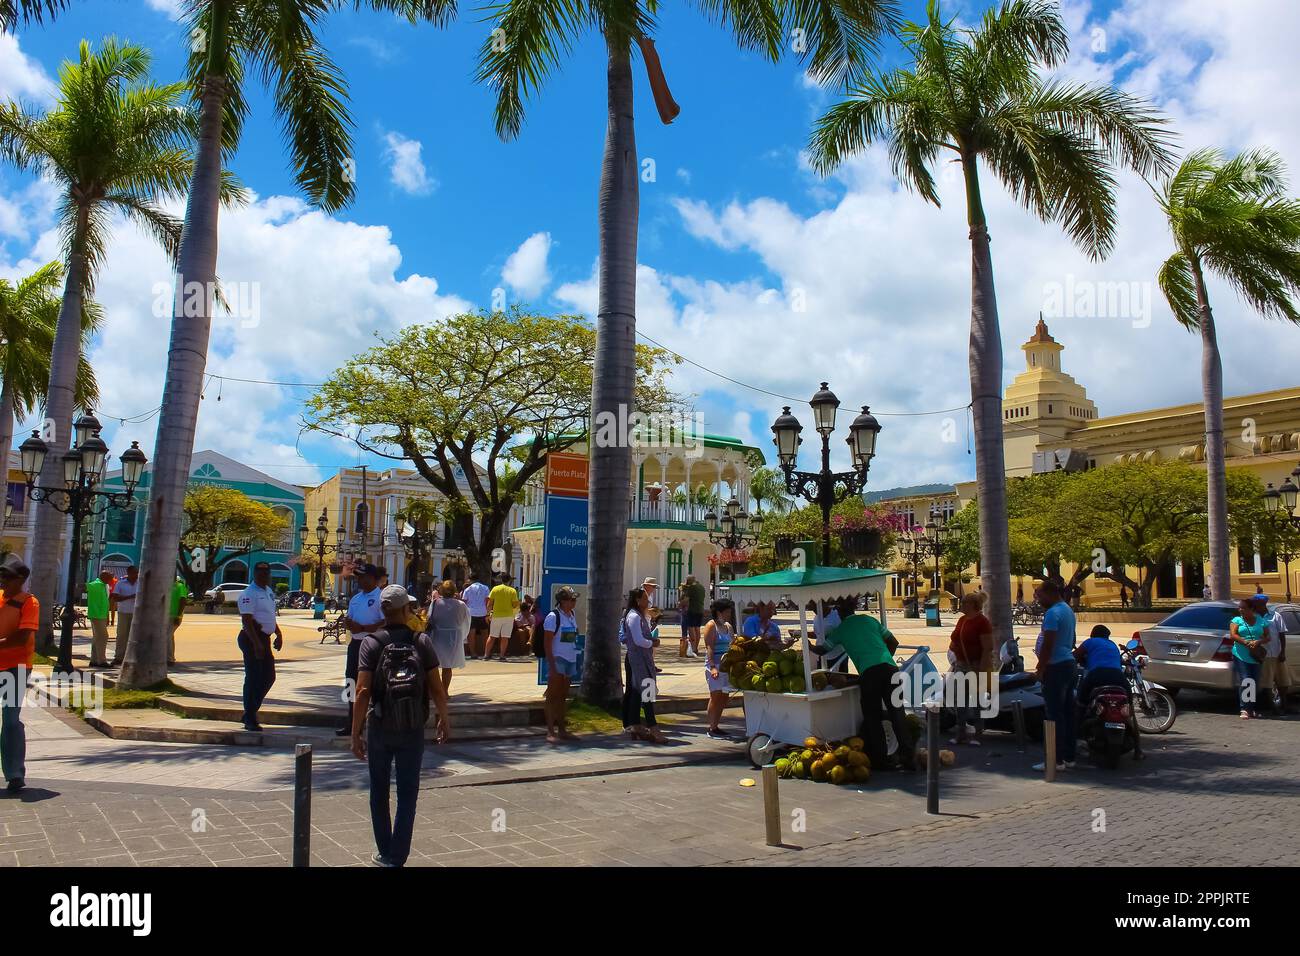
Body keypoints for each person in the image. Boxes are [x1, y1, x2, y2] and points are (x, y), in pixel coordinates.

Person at [351, 584, 447, 867]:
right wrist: (444, 718)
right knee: (408, 793)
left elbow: (361, 692)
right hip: (413, 726)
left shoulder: (371, 643)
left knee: (378, 791)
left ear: (383, 610)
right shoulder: (421, 642)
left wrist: (356, 732)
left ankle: (385, 850)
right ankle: (398, 856)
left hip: (380, 725)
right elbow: (437, 688)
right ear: (406, 610)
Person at [811, 609, 914, 772]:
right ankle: (909, 758)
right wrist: (884, 659)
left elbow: (823, 650)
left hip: (870, 674)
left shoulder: (842, 629)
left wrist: (808, 645)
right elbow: (893, 642)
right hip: (891, 670)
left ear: (841, 614)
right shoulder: (869, 620)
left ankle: (881, 760)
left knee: (873, 717)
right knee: (897, 714)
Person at [0, 555, 37, 793]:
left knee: (11, 720)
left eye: (7, 577)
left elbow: (22, 637)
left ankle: (14, 773)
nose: (2, 581)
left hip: (16, 667)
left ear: (21, 579)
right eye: (1, 576)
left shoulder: (29, 602)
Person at [1033, 579, 1078, 772]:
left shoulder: (1052, 613)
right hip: (1069, 664)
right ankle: (1069, 757)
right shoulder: (1067, 610)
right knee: (1068, 713)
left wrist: (1040, 668)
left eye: (1039, 595)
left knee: (1053, 715)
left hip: (1056, 667)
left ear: (1050, 593)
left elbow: (1047, 644)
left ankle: (1055, 760)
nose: (1037, 599)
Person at [337, 564, 384, 736]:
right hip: (355, 645)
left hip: (374, 645)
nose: (360, 581)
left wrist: (364, 627)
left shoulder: (381, 597)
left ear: (373, 578)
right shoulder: (355, 598)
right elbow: (350, 619)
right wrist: (348, 624)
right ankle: (352, 721)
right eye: (358, 577)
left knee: (375, 684)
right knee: (350, 682)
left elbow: (385, 622)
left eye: (364, 577)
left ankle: (376, 721)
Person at [236, 562, 283, 732]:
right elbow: (247, 621)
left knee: (269, 677)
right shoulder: (249, 594)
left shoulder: (268, 591)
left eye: (266, 573)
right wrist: (256, 644)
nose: (264, 575)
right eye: (260, 573)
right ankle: (250, 717)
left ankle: (250, 710)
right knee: (254, 677)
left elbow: (269, 616)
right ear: (254, 574)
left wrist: (278, 633)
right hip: (252, 638)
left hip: (264, 638)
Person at [948, 591, 994, 746]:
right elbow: (955, 638)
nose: (962, 605)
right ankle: (960, 733)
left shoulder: (982, 622)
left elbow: (988, 647)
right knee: (960, 699)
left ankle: (978, 734)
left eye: (965, 603)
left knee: (976, 701)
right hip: (961, 664)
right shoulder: (962, 620)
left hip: (975, 665)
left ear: (973, 605)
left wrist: (981, 669)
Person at [620, 588, 665, 743]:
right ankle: (652, 727)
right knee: (647, 692)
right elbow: (639, 640)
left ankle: (635, 725)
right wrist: (653, 642)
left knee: (637, 693)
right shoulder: (633, 617)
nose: (648, 602)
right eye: (645, 598)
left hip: (643, 658)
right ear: (638, 600)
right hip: (637, 659)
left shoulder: (639, 616)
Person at [541, 586, 581, 744]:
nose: (574, 602)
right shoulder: (553, 617)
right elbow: (547, 643)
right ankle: (550, 730)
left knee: (563, 696)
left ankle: (562, 729)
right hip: (558, 659)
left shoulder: (571, 615)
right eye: (572, 599)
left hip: (570, 659)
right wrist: (552, 665)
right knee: (552, 695)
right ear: (563, 601)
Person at [425, 579, 468, 700]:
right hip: (454, 636)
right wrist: (462, 634)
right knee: (447, 666)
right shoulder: (461, 605)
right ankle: (444, 691)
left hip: (438, 635)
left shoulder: (436, 603)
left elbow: (429, 618)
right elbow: (466, 621)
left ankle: (432, 691)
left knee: (433, 665)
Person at [702, 597, 737, 740]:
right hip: (715, 664)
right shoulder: (711, 626)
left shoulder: (728, 626)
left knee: (724, 696)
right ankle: (711, 727)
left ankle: (716, 725)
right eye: (726, 612)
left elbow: (733, 644)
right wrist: (712, 667)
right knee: (715, 695)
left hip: (726, 665)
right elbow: (709, 647)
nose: (729, 615)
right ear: (718, 612)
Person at [1229, 597, 1268, 720]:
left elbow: (1268, 637)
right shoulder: (1236, 620)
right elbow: (1233, 635)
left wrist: (1258, 641)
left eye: (1243, 608)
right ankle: (1244, 709)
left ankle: (1252, 709)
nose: (1240, 610)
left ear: (1251, 609)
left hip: (1255, 655)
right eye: (1239, 607)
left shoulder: (1260, 620)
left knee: (1254, 682)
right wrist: (1245, 642)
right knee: (1246, 680)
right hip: (1241, 654)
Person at [1253, 594, 1291, 715]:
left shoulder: (1276, 616)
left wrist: (1283, 651)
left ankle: (1285, 705)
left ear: (1263, 604)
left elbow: (1281, 634)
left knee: (1283, 681)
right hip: (1264, 655)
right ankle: (1273, 708)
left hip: (1277, 653)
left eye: (1256, 603)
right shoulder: (1254, 617)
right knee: (1267, 682)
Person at [484, 574, 519, 661]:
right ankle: (502, 656)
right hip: (508, 616)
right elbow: (515, 605)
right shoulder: (512, 591)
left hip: (496, 615)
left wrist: (488, 614)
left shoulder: (495, 589)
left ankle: (486, 655)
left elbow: (489, 603)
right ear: (509, 580)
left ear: (501, 580)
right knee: (505, 637)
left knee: (492, 636)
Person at [109, 565, 139, 666]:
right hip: (123, 612)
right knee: (122, 635)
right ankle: (119, 657)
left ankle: (132, 657)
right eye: (134, 573)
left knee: (134, 636)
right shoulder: (120, 584)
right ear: (129, 573)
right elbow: (115, 598)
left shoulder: (140, 584)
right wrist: (131, 596)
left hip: (136, 613)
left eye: (137, 573)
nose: (136, 575)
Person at [86, 569, 113, 667]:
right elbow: (85, 586)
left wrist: (107, 615)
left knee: (97, 637)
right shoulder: (95, 584)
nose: (111, 580)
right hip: (96, 614)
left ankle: (94, 660)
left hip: (101, 614)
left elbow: (106, 601)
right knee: (103, 636)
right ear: (104, 577)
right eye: (109, 578)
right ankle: (102, 661)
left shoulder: (104, 586)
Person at [460, 571, 490, 660]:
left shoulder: (467, 589)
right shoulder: (485, 588)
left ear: (470, 579)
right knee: (485, 633)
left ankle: (473, 653)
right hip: (482, 612)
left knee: (471, 634)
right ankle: (486, 652)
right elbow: (487, 600)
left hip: (471, 613)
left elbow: (464, 602)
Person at [681, 574, 707, 657]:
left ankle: (693, 648)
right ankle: (696, 648)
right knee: (697, 629)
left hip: (692, 610)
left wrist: (680, 603)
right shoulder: (702, 587)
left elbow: (686, 600)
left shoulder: (692, 588)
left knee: (691, 629)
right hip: (700, 610)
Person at [168, 576, 189, 666]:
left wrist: (179, 615)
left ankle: (169, 659)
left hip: (175, 616)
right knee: (169, 636)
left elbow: (183, 600)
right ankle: (170, 657)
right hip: (166, 616)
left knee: (167, 636)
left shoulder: (180, 586)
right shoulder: (167, 586)